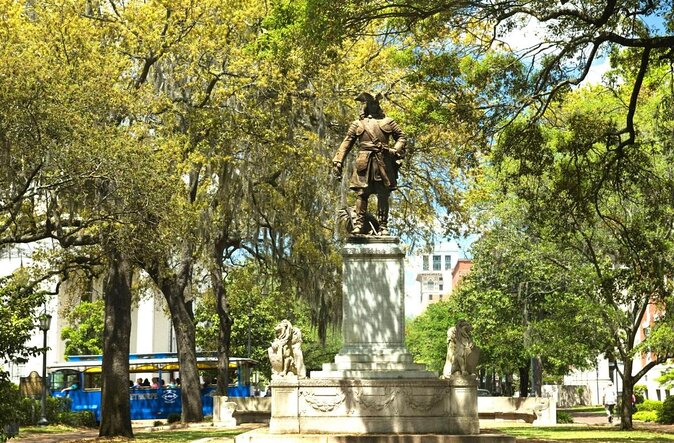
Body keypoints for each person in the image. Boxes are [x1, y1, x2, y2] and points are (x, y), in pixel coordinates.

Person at [332, 92, 407, 236]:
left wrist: (394, 151)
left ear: (378, 105)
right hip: (364, 162)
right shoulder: (357, 124)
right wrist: (338, 160)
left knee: (383, 194)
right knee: (362, 194)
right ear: (366, 105)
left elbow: (402, 137)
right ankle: (359, 224)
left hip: (383, 161)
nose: (373, 106)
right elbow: (347, 142)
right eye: (370, 103)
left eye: (375, 103)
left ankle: (383, 226)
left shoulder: (388, 121)